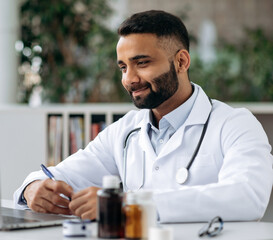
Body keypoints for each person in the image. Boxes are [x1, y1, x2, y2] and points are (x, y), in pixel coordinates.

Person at [14, 10, 273, 223]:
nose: (129, 79)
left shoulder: (235, 124)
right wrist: (32, 188)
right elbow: (61, 176)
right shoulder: (126, 130)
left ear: (182, 62)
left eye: (142, 63)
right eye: (123, 67)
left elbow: (247, 196)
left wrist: (128, 204)